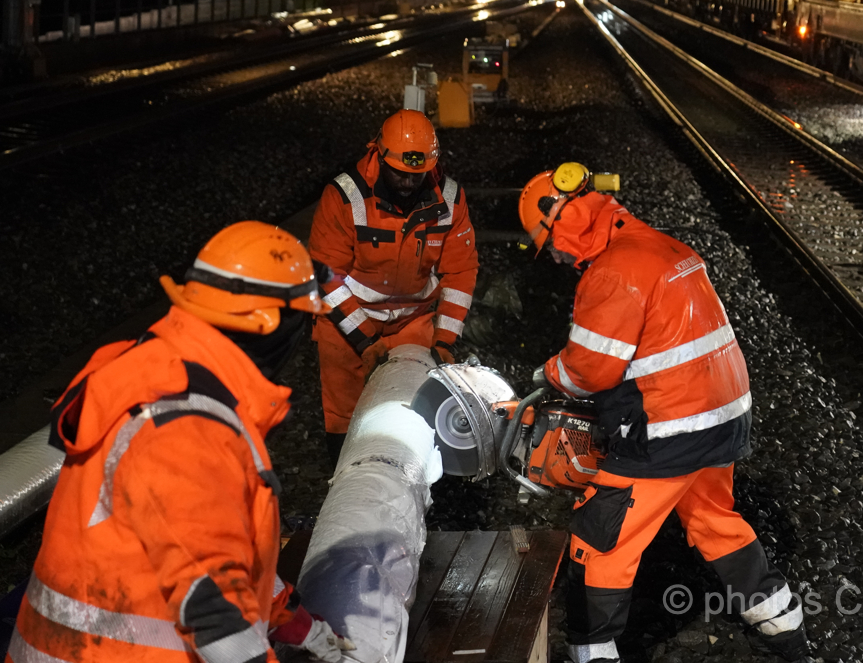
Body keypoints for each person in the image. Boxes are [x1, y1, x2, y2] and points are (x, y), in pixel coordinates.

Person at [7, 221, 351, 663]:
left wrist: (298, 626)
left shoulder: (165, 372)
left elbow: (210, 548)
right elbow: (217, 616)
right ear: (272, 325)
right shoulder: (185, 429)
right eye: (303, 319)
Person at [518, 163, 810, 663]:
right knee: (715, 520)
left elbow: (589, 370)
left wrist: (546, 375)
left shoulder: (614, 270)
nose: (557, 258)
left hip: (672, 427)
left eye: (550, 245)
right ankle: (787, 633)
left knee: (600, 537)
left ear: (560, 219)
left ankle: (593, 651)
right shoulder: (663, 247)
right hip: (724, 416)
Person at [310, 109, 478, 462]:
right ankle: (344, 475)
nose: (407, 183)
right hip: (347, 321)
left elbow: (461, 272)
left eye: (417, 175)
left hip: (412, 321)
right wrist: (365, 339)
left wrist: (445, 340)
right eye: (399, 173)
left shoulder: (449, 199)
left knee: (415, 408)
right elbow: (327, 275)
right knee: (344, 415)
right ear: (379, 155)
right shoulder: (345, 197)